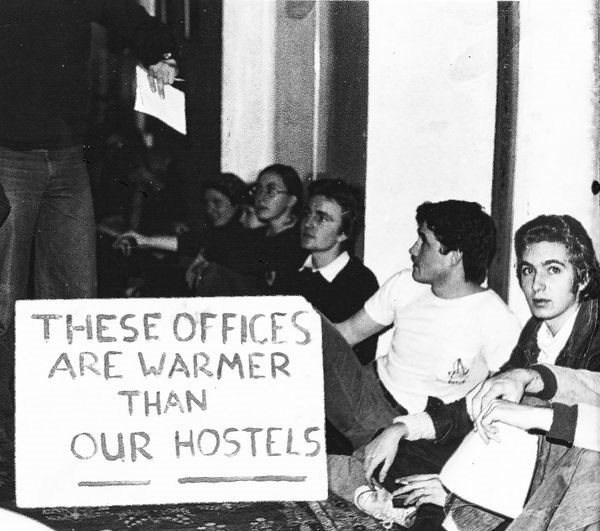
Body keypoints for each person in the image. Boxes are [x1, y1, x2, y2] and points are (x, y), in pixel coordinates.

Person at [357, 214, 600, 530]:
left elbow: (573, 433)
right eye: (528, 270)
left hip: (569, 480)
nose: (537, 284)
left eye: (553, 269)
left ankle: (444, 510)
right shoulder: (536, 331)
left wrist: (457, 489)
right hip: (525, 466)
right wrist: (403, 428)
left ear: (581, 278)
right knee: (402, 456)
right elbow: (483, 398)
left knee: (442, 490)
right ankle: (439, 505)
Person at [0, 0, 178, 410]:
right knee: (2, 299)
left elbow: (128, 16)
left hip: (66, 155)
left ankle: (63, 420)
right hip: (8, 155)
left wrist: (159, 54)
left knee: (75, 296)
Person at [322, 200, 521, 486]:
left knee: (406, 478)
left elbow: (504, 398)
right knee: (306, 319)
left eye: (423, 242)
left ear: (454, 255)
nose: (413, 249)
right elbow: (347, 333)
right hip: (364, 389)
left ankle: (354, 473)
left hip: (409, 426)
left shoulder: (495, 317)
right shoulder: (404, 284)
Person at [286, 178, 379, 454]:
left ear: (343, 233)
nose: (309, 223)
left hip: (335, 404)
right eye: (308, 215)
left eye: (322, 218)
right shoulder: (293, 273)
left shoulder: (359, 282)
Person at [114, 173, 260, 296]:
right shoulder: (215, 233)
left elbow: (194, 243)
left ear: (236, 205)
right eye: (206, 203)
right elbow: (191, 241)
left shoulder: (244, 236)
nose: (210, 210)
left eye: (217, 202)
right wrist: (145, 241)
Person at [251, 164, 307, 293]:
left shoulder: (301, 239)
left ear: (291, 200)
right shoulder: (257, 236)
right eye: (258, 189)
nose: (261, 198)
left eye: (271, 191)